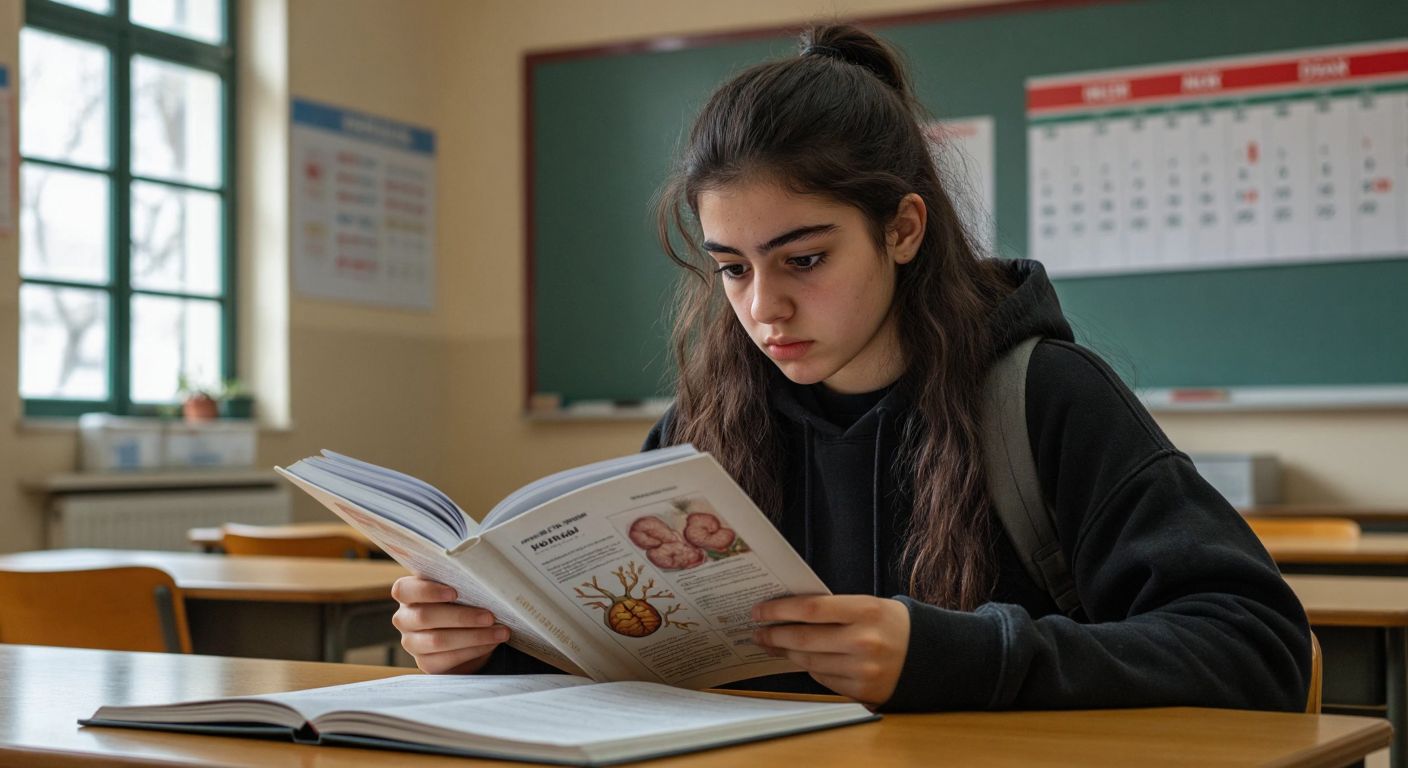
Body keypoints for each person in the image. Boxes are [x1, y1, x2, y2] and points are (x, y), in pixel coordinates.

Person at [392, 23, 1310, 712]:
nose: (762, 308)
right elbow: (642, 659)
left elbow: (1259, 646)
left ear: (903, 229)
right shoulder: (702, 427)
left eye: (804, 259)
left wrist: (960, 654)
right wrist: (490, 646)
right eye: (732, 268)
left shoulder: (1042, 398)